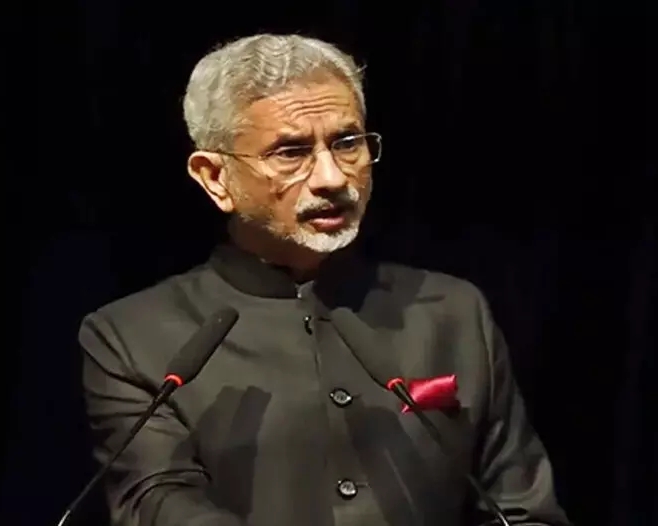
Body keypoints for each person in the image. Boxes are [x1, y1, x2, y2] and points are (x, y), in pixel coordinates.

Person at [79, 33, 572, 526]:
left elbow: (523, 511)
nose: (332, 178)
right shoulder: (132, 338)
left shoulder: (452, 311)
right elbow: (159, 502)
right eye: (291, 152)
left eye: (347, 143)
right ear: (214, 177)